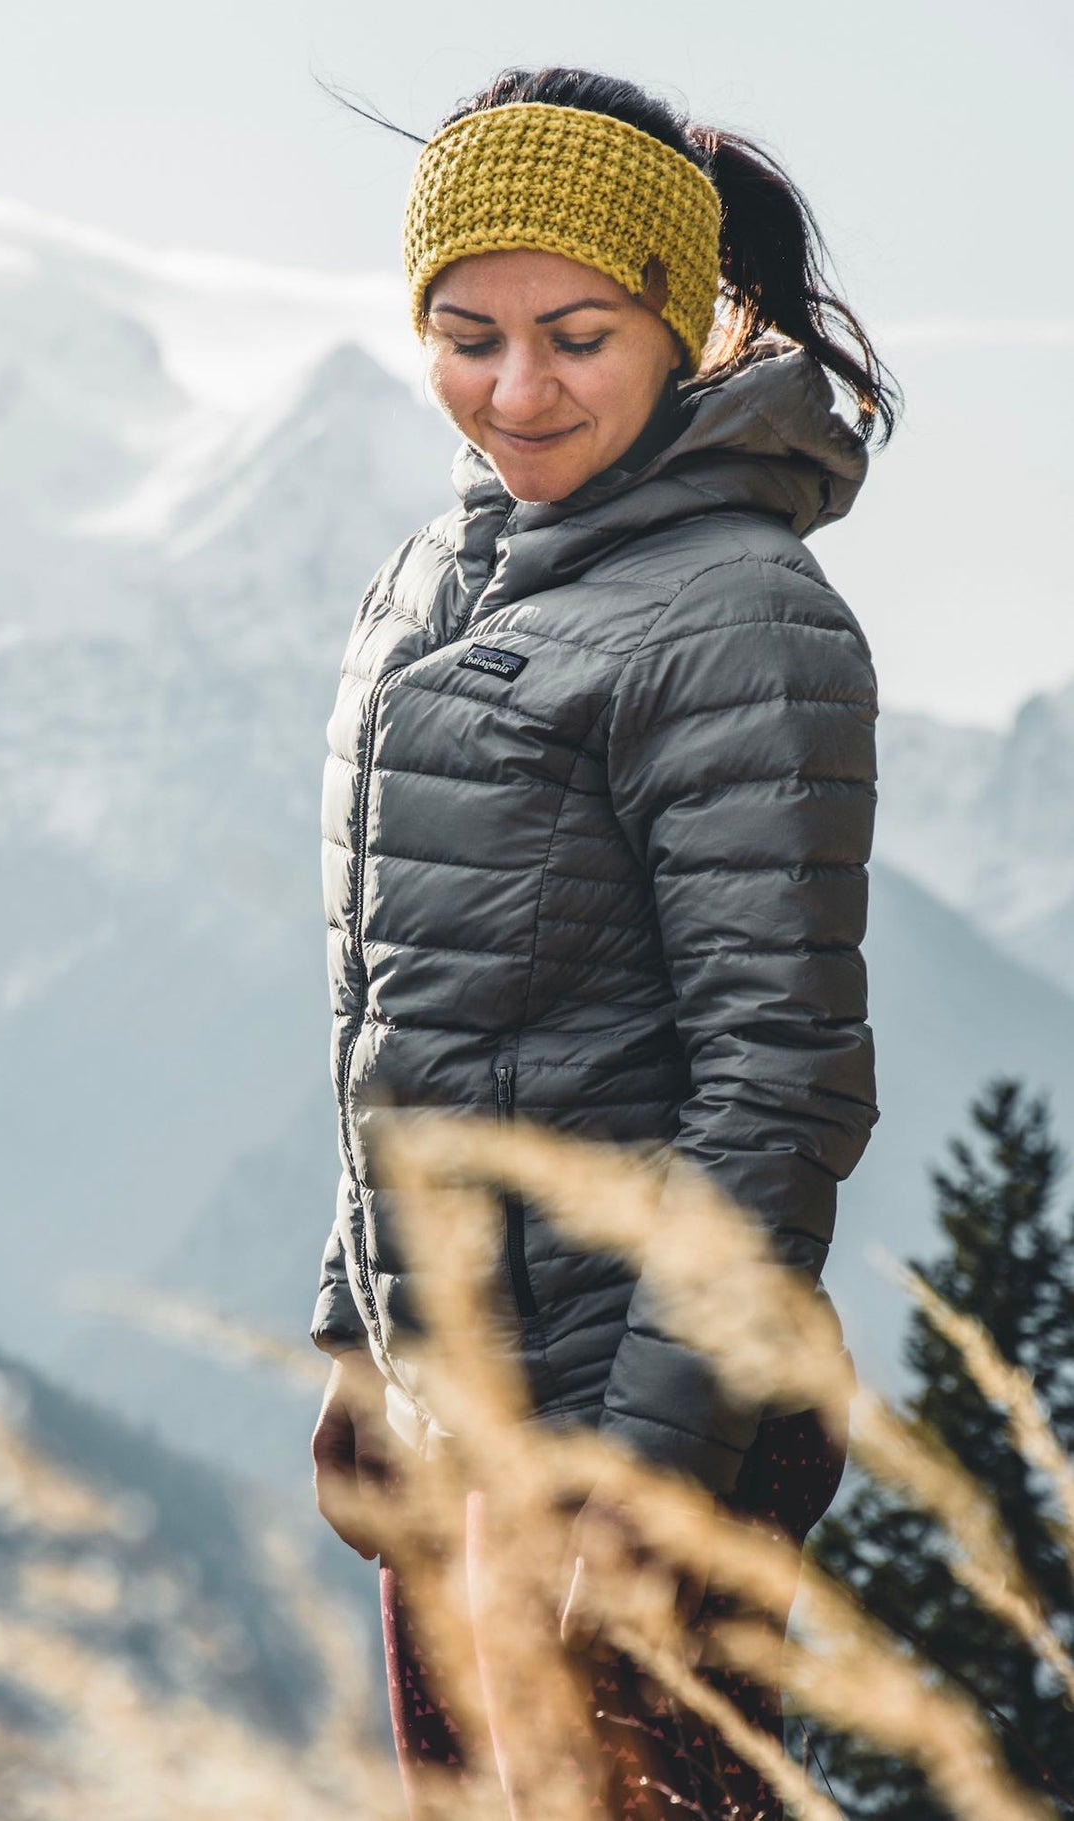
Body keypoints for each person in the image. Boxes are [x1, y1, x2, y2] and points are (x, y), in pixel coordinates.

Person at [308, 65, 896, 1819]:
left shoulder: (742, 613)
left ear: (677, 322)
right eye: (464, 332)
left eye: (576, 333)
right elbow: (394, 1013)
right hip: (455, 1412)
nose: (516, 388)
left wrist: (641, 1480)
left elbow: (777, 1085)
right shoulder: (434, 578)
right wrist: (357, 1335)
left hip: (654, 1415)